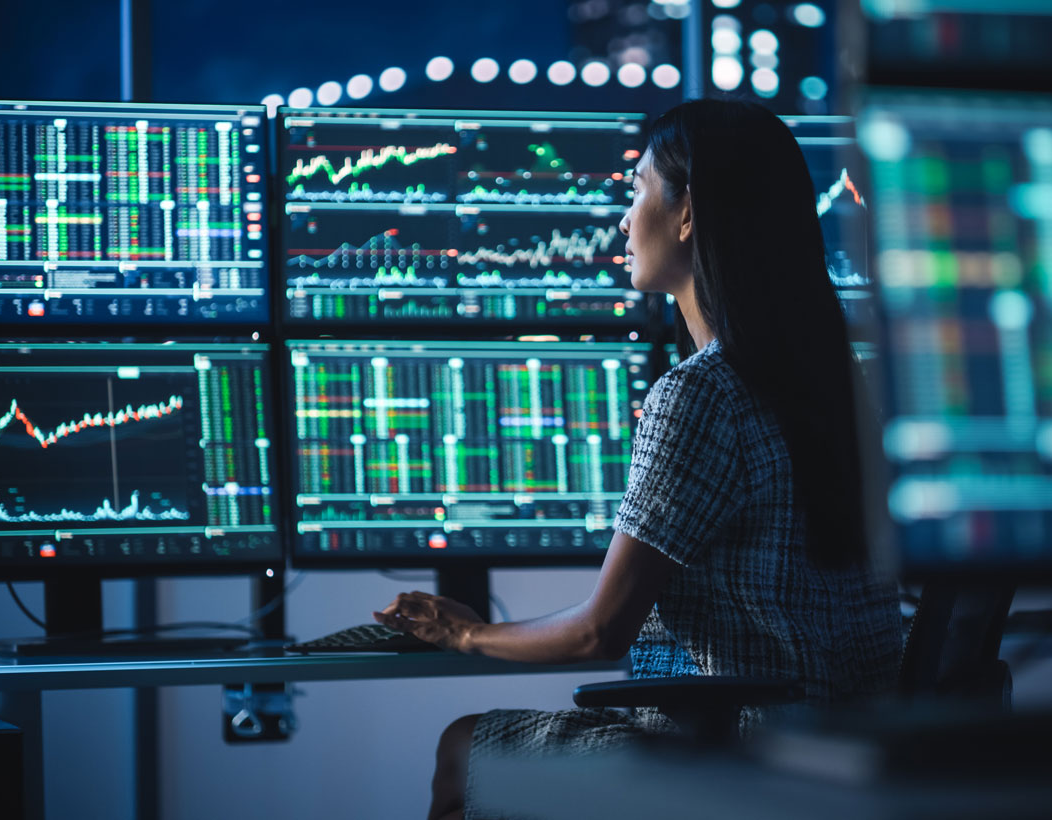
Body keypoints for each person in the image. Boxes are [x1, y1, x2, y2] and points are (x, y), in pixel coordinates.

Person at [374, 99, 904, 820]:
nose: (624, 221)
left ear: (689, 212)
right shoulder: (842, 383)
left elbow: (601, 632)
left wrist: (464, 632)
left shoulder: (701, 393)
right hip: (843, 749)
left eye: (638, 190)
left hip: (740, 755)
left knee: (465, 750)